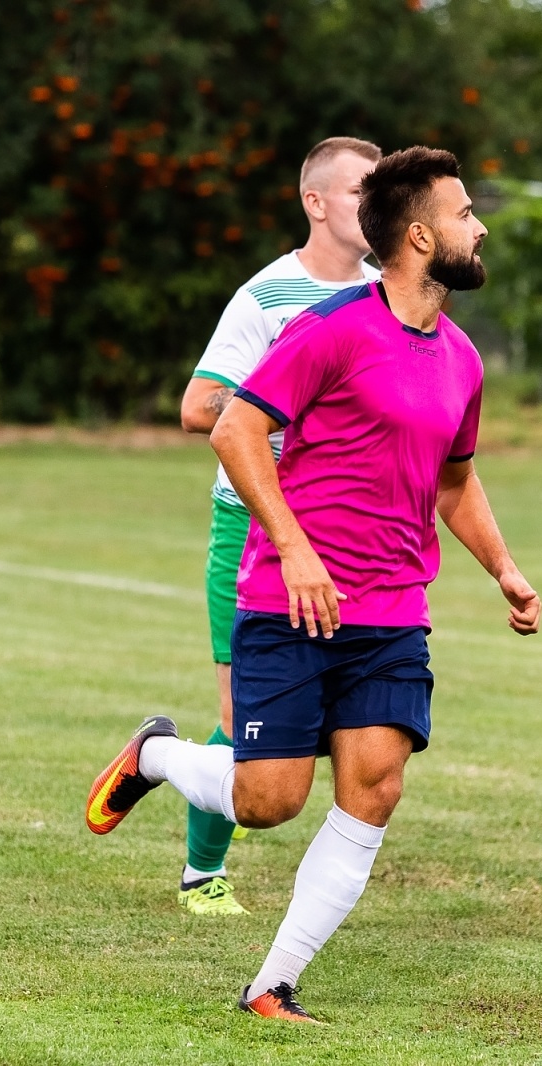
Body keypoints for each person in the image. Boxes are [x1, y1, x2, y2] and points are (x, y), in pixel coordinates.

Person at [85, 146, 540, 1023]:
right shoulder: (329, 327)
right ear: (418, 236)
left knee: (374, 786)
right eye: (463, 214)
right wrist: (293, 548)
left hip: (393, 612)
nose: (479, 227)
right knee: (269, 801)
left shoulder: (462, 359)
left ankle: (272, 984)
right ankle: (155, 755)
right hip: (290, 602)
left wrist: (505, 569)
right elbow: (234, 432)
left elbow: (454, 478)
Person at [160, 137, 383, 918]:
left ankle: (219, 780)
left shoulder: (385, 294)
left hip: (342, 536)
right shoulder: (265, 298)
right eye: (361, 189)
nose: (375, 202)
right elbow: (197, 408)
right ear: (315, 203)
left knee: (330, 722)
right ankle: (201, 872)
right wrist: (284, 404)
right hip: (252, 531)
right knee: (239, 718)